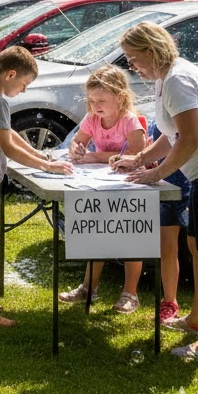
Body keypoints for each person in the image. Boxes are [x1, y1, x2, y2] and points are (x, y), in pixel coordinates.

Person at [114, 21, 198, 361]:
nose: (131, 65)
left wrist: (158, 174)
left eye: (133, 57)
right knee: (197, 248)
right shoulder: (165, 78)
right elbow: (170, 136)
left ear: (152, 52)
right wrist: (140, 158)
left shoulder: (178, 81)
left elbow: (192, 138)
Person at [0, 46, 72, 327]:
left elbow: (10, 134)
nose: (25, 90)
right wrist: (47, 166)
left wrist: (39, 153)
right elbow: (7, 147)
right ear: (11, 74)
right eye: (24, 84)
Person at [59, 65, 146, 312]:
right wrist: (76, 148)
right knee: (97, 233)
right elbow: (79, 141)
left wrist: (95, 157)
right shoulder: (92, 118)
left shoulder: (129, 120)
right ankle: (88, 287)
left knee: (132, 238)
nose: (95, 105)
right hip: (102, 186)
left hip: (131, 188)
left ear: (119, 97)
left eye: (101, 100)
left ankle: (130, 293)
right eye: (91, 100)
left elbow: (136, 153)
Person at [145, 119, 193, 326]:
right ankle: (169, 301)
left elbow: (185, 141)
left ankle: (180, 305)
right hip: (162, 184)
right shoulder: (161, 105)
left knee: (187, 249)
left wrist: (158, 169)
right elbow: (164, 139)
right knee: (166, 246)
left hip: (184, 184)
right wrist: (145, 157)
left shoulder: (180, 96)